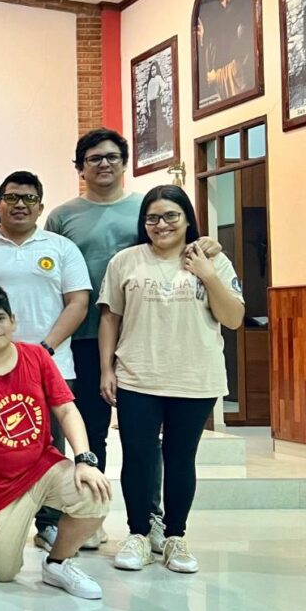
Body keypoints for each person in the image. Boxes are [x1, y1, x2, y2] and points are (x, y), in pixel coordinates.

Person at [44, 129, 219, 550]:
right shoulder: (63, 216)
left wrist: (207, 246)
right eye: (93, 158)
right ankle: (89, 515)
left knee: (145, 441)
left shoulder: (145, 209)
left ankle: (151, 518)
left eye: (111, 157)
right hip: (86, 337)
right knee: (89, 431)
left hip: (145, 337)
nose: (103, 164)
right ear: (80, 167)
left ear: (124, 163)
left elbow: (179, 244)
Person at [99, 186, 243, 575]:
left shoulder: (212, 259)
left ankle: (176, 536)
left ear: (186, 219)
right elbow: (110, 317)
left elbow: (233, 318)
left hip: (194, 376)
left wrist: (208, 275)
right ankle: (138, 534)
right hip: (138, 375)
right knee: (137, 457)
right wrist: (107, 369)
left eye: (170, 216)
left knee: (181, 458)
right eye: (152, 218)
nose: (161, 224)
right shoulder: (126, 261)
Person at [0, 171, 90, 551]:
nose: (20, 205)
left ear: (41, 207)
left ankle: (48, 523)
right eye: (12, 197)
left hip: (51, 362)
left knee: (48, 445)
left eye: (29, 199)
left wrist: (43, 349)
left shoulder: (61, 248)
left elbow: (78, 303)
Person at [0, 283, 111, 600]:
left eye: (0, 318)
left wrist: (84, 460)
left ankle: (58, 564)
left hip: (42, 468)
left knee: (95, 492)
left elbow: (66, 410)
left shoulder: (36, 357)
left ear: (13, 320)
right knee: (2, 571)